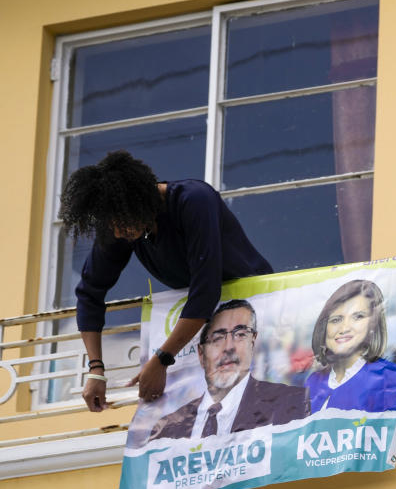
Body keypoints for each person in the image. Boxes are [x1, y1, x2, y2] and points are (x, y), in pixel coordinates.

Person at [59, 151, 273, 412]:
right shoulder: (122, 227)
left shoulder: (194, 200)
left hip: (259, 316)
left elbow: (205, 291)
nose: (117, 233)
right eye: (110, 225)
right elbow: (89, 294)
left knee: (262, 410)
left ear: (137, 201)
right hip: (207, 329)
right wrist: (95, 370)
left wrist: (162, 358)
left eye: (120, 222)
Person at [149, 299, 308, 440]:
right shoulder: (166, 429)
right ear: (201, 353)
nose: (229, 347)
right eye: (217, 338)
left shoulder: (290, 403)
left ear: (253, 342)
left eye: (240, 334)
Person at [305, 279, 396, 412]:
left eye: (358, 317)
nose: (344, 328)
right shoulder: (313, 382)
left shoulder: (388, 375)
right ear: (324, 328)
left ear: (373, 325)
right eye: (336, 320)